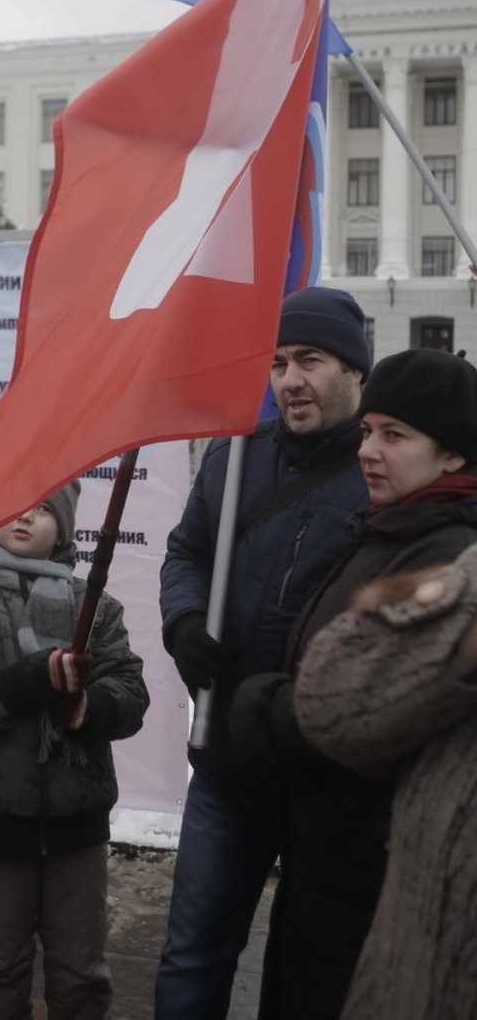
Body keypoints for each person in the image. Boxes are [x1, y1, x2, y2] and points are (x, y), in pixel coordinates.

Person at [227, 346, 477, 1019]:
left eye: (395, 435)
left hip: (367, 876)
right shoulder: (391, 528)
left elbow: (350, 709)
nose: (369, 450)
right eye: (368, 430)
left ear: (452, 454)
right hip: (326, 862)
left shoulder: (448, 558)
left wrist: (259, 705)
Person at [155, 286, 372, 1020]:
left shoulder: (381, 470)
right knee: (193, 953)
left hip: (327, 775)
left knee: (310, 972)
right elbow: (186, 551)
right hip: (228, 761)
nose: (290, 380)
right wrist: (184, 622)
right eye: (278, 362)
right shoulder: (235, 453)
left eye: (310, 359)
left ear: (356, 370)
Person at [0, 483, 149, 1020]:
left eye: (44, 509)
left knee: (81, 976)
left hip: (78, 824)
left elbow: (131, 696)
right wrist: (34, 678)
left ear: (64, 531)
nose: (25, 516)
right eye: (16, 503)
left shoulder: (95, 609)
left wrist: (89, 708)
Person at [296, 544, 477, 1020]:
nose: (366, 461)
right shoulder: (452, 568)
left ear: (454, 461)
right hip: (413, 962)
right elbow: (325, 698)